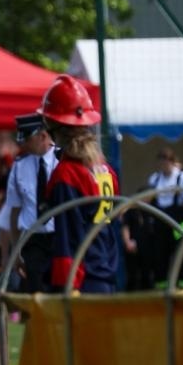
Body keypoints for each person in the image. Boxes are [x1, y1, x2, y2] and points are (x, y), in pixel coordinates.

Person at [40, 75, 126, 294]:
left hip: (80, 284)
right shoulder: (105, 171)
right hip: (106, 276)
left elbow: (67, 237)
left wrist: (68, 287)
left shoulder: (67, 174)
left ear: (53, 126)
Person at [4, 113, 58, 293]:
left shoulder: (62, 161)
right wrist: (15, 250)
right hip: (33, 239)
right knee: (36, 293)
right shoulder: (19, 166)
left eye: (27, 139)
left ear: (43, 136)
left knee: (60, 291)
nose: (23, 144)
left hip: (60, 236)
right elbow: (14, 211)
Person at [146, 147, 183, 285]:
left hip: (179, 222)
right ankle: (162, 286)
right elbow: (148, 199)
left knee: (182, 252)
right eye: (160, 162)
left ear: (172, 162)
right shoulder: (155, 179)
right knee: (160, 254)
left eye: (165, 162)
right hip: (160, 221)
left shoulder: (182, 177)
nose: (163, 166)